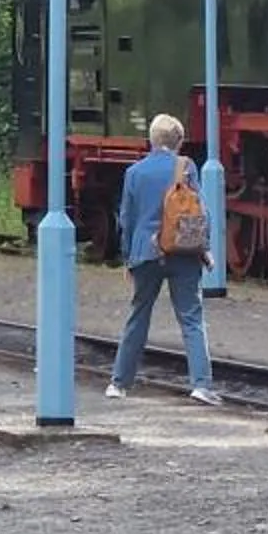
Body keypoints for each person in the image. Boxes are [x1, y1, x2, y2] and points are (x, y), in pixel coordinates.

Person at [106, 113, 219, 405]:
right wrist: (204, 248)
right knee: (192, 318)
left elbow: (127, 219)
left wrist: (128, 257)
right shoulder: (187, 167)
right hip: (183, 252)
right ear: (179, 141)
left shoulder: (134, 173)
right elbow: (200, 212)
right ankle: (201, 385)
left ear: (152, 140)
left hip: (146, 252)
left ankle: (119, 383)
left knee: (138, 316)